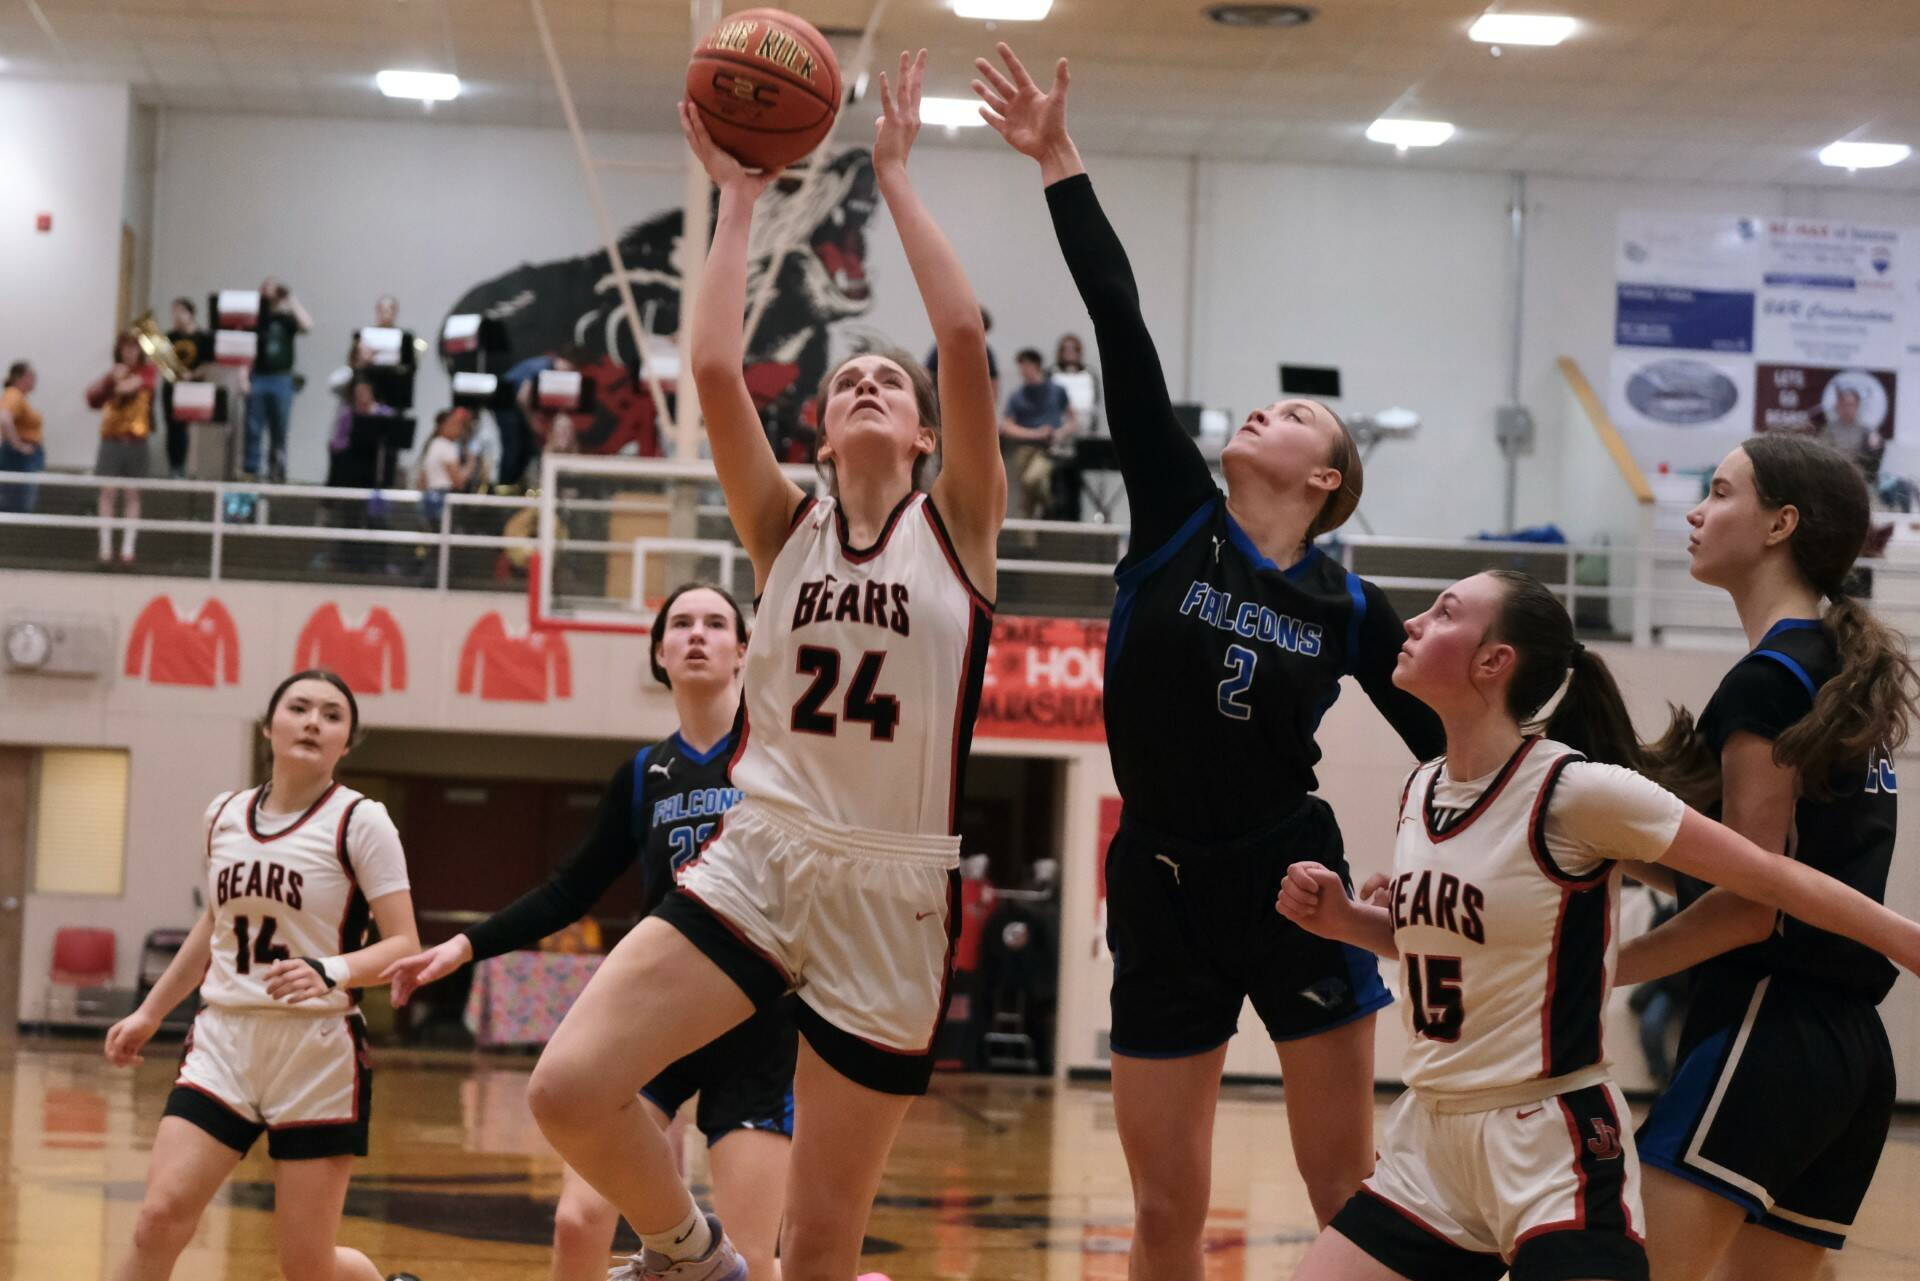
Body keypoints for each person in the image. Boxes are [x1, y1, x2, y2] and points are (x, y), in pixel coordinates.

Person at [526, 51, 1002, 1281]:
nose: (864, 382)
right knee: (569, 1088)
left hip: (894, 891)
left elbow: (957, 332)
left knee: (828, 1244)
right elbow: (714, 370)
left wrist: (891, 175)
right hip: (767, 847)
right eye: (847, 377)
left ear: (922, 430)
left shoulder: (961, 527)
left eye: (885, 383)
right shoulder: (780, 527)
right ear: (821, 428)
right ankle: (692, 1257)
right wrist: (740, 198)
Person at [972, 42, 1444, 1272]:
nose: (1262, 411)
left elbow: (1454, 748)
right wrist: (1057, 159)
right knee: (1166, 1210)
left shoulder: (1350, 603)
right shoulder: (1180, 514)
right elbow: (1119, 324)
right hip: (1163, 884)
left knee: (1342, 1188)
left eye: (1294, 419)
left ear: (1327, 478)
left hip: (1294, 881)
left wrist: (1422, 871)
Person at [1276, 568, 1920, 1281]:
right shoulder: (1423, 786)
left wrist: (1903, 938)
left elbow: (1770, 876)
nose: (1416, 622)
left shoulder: (1577, 790)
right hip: (1427, 1144)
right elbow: (1445, 948)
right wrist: (1345, 918)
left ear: (1495, 661)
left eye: (1445, 611)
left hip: (1547, 1145)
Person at [384, 584, 794, 1281]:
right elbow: (571, 888)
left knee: (753, 1259)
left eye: (716, 623)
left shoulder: (777, 756)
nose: (698, 634)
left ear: (744, 650)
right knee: (579, 1219)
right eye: (681, 624)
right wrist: (466, 943)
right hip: (664, 1014)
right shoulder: (644, 774)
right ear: (660, 653)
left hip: (758, 1022)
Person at [1622, 434, 1920, 1279]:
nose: (1694, 510)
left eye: (1719, 491)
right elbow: (1758, 870)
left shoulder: (1768, 680)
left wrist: (1608, 964)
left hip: (1767, 1027)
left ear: (1780, 523)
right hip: (1851, 1052)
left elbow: (1753, 898)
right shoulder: (1830, 668)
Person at [103, 670, 422, 1281]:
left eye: (331, 715)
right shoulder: (223, 813)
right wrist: (151, 1010)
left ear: (346, 742)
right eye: (298, 708)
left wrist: (332, 969)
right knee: (157, 1220)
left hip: (317, 1051)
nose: (312, 721)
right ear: (268, 725)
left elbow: (405, 944)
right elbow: (214, 925)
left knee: (306, 1264)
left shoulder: (362, 821)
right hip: (222, 1041)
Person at [88, 330, 160, 564]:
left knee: (132, 494)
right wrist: (109, 379)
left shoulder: (147, 371)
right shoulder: (112, 374)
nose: (129, 352)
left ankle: (128, 548)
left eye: (134, 348)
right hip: (111, 440)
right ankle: (105, 547)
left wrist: (115, 382)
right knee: (107, 492)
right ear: (119, 351)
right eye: (125, 348)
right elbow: (92, 398)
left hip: (137, 441)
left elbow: (134, 386)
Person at [246, 277, 313, 483]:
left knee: (280, 427)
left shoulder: (286, 319)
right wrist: (243, 376)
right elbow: (244, 348)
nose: (270, 292)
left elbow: (308, 325)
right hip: (258, 377)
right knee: (253, 426)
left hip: (281, 378)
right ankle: (251, 469)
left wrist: (290, 298)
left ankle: (277, 468)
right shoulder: (255, 319)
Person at [999, 347, 1075, 521]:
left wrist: (1059, 433)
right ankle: (1030, 544)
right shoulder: (1017, 396)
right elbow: (1008, 425)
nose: (1022, 371)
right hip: (1024, 449)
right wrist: (1034, 434)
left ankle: (1051, 508)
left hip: (1048, 450)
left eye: (1024, 366)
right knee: (1026, 500)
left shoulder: (1056, 391)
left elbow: (1072, 419)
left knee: (1032, 479)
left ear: (1035, 365)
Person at [162, 297, 212, 479]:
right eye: (173, 312)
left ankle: (195, 468)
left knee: (193, 429)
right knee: (173, 429)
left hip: (195, 388)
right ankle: (175, 467)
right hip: (173, 387)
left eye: (179, 311)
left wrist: (193, 375)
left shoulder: (202, 336)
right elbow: (163, 364)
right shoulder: (169, 337)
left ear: (189, 313)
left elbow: (209, 364)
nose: (175, 316)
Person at [349, 295, 419, 413]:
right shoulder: (365, 334)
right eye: (383, 310)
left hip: (395, 386)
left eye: (390, 309)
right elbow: (354, 363)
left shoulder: (405, 336)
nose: (386, 313)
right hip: (369, 385)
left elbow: (410, 365)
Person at [0, 360, 44, 514]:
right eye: (32, 376)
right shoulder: (14, 395)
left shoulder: (18, 397)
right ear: (22, 377)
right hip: (19, 459)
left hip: (22, 457)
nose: (35, 380)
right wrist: (18, 445)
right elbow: (4, 418)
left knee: (17, 502)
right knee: (17, 504)